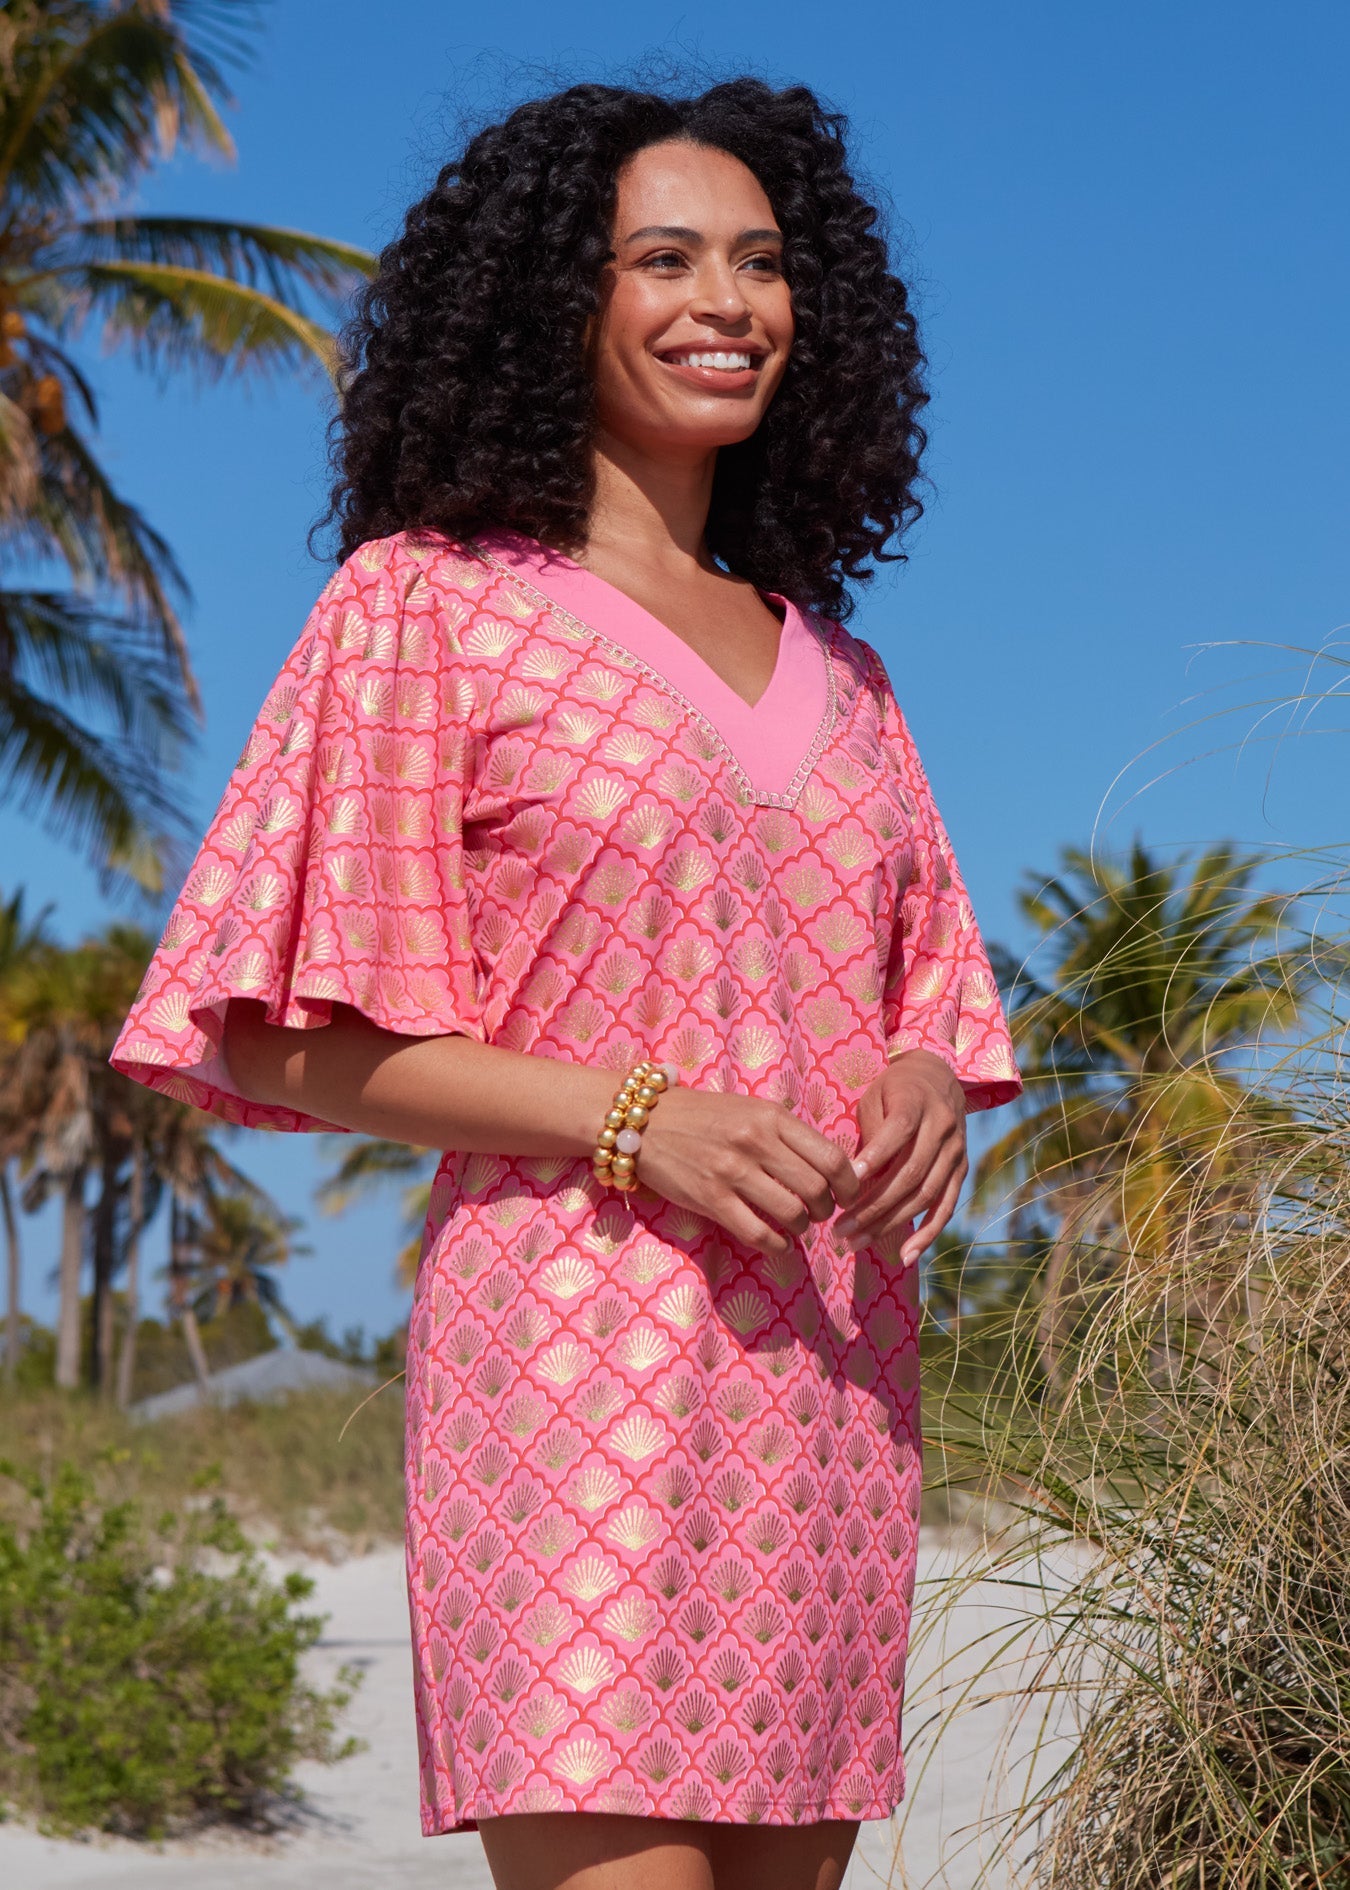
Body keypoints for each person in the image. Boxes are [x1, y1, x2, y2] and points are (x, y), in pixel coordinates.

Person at [112, 77, 1020, 1890]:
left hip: (825, 1387)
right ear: (553, 299)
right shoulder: (420, 606)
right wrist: (633, 1118)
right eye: (662, 259)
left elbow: (926, 993)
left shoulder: (847, 675)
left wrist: (925, 1080)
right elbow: (278, 1034)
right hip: (569, 1372)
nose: (726, 303)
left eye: (761, 262)